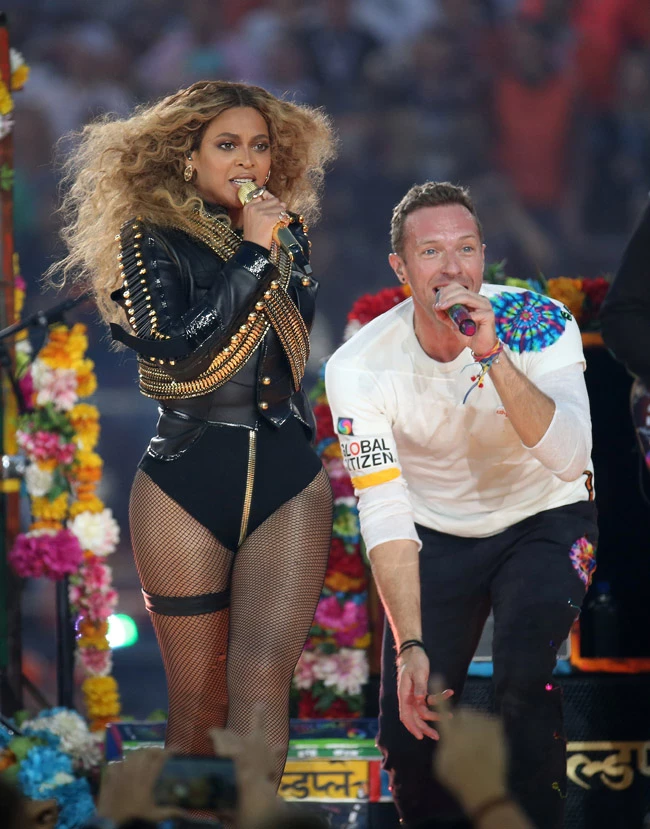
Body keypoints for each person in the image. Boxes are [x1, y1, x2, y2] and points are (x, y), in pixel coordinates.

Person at [52, 80, 337, 785]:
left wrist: (266, 246)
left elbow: (287, 357)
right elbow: (177, 354)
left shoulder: (288, 235)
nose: (248, 161)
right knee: (198, 703)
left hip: (285, 472)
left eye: (261, 147)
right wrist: (248, 253)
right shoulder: (151, 238)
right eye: (228, 145)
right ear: (189, 157)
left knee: (264, 683)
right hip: (186, 474)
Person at [325, 181, 598, 829]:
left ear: (482, 257)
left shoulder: (540, 323)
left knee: (524, 679)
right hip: (436, 530)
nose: (452, 268)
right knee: (415, 713)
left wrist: (492, 354)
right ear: (400, 268)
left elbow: (571, 459)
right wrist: (409, 641)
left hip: (547, 514)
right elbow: (385, 508)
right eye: (431, 252)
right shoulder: (360, 366)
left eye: (466, 249)